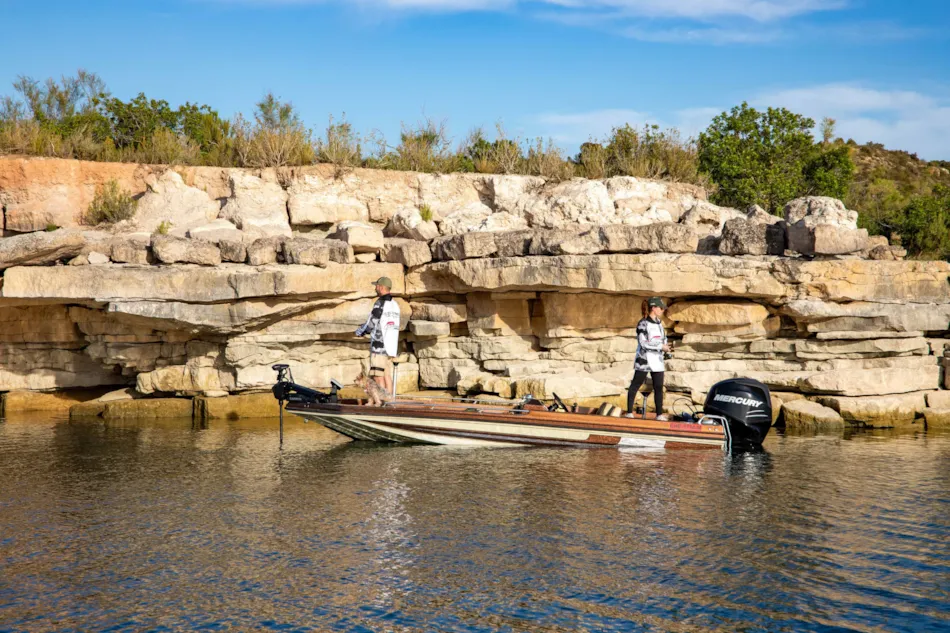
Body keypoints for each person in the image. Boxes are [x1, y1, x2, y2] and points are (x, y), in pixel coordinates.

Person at [355, 277, 401, 399]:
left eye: (376, 286)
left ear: (381, 287)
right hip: (390, 347)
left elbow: (372, 322)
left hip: (379, 346)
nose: (375, 288)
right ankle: (390, 400)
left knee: (377, 376)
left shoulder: (380, 303)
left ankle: (380, 401)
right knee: (386, 375)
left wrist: (361, 331)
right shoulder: (395, 304)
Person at [627, 297, 671, 420]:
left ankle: (659, 415)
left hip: (657, 360)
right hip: (644, 359)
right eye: (661, 308)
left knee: (658, 387)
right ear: (653, 308)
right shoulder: (643, 323)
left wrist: (666, 348)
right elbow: (643, 343)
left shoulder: (660, 324)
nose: (662, 310)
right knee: (636, 384)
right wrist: (660, 346)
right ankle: (629, 412)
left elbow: (663, 339)